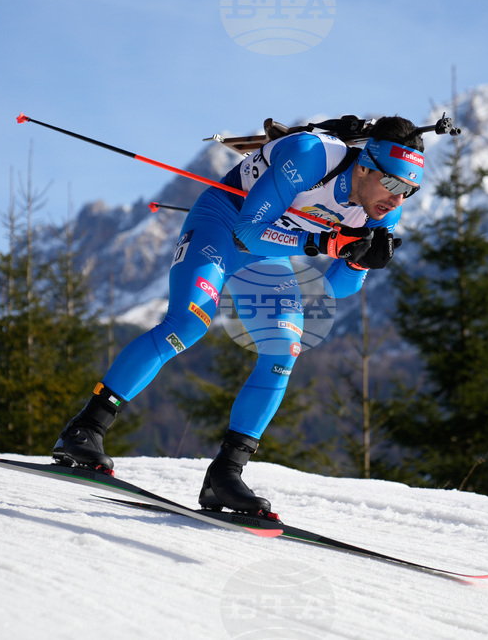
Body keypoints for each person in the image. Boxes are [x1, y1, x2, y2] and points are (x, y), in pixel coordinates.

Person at [52, 114, 425, 514]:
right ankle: (85, 428)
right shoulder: (311, 156)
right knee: (188, 324)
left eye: (410, 190)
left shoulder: (382, 211)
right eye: (393, 183)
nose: (397, 198)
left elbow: (335, 288)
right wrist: (323, 242)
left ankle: (225, 475)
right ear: (366, 164)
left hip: (266, 255)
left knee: (285, 348)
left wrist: (358, 262)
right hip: (223, 222)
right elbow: (248, 230)